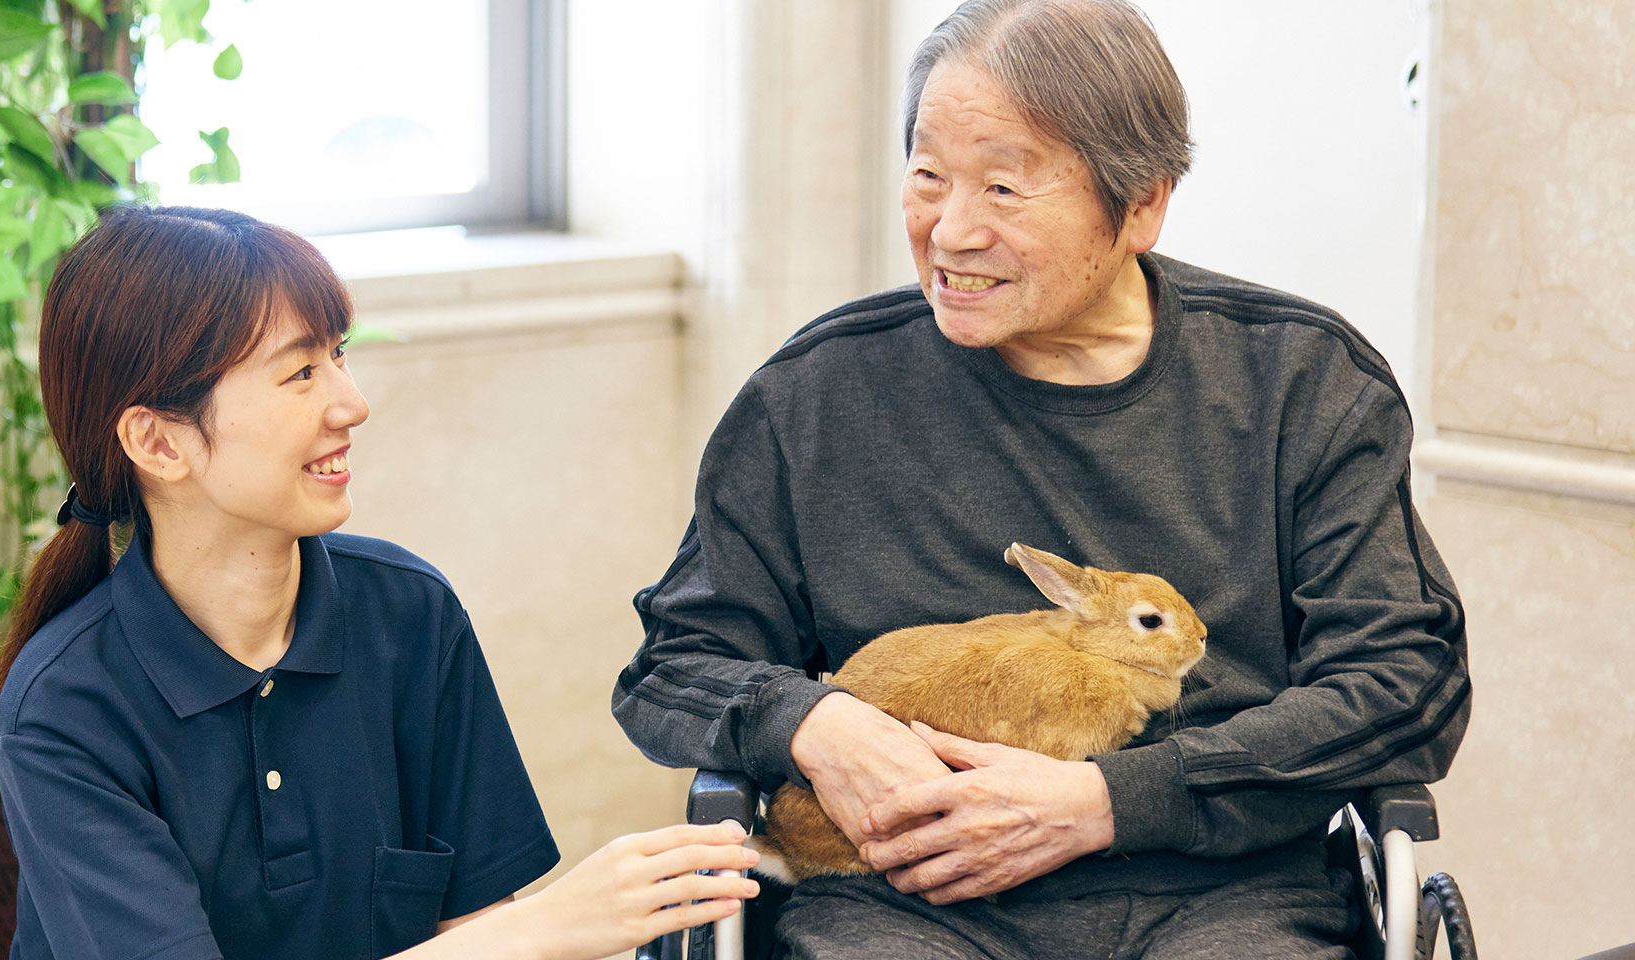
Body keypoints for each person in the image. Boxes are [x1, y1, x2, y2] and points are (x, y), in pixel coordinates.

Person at [610, 1, 1469, 957]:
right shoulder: (816, 397)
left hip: (1224, 897)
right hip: (899, 898)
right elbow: (672, 666)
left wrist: (1113, 801)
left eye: (1005, 189)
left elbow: (1407, 683)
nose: (950, 232)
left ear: (1141, 203)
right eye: (928, 177)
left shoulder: (1299, 384)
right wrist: (815, 722)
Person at [0, 206, 758, 960]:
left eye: (338, 355)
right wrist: (549, 926)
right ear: (157, 443)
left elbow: (474, 928)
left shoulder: (410, 616)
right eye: (299, 374)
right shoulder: (66, 709)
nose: (352, 404)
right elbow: (502, 944)